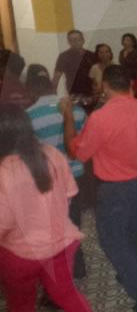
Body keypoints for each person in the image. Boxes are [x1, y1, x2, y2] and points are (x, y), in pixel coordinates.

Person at [62, 65, 137, 311]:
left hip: (116, 188)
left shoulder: (102, 117)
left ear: (105, 86)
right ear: (128, 85)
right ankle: (130, 272)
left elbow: (78, 152)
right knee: (133, 232)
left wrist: (67, 118)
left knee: (111, 240)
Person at [0, 104, 92, 312]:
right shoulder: (51, 153)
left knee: (20, 303)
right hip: (61, 244)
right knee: (66, 294)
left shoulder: (3, 170)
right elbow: (69, 194)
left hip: (19, 254)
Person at [26, 71, 88, 280]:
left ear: (32, 90)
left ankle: (62, 272)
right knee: (73, 220)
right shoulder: (77, 110)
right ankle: (78, 266)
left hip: (48, 178)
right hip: (75, 174)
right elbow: (85, 142)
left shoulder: (28, 116)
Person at [52, 30, 96, 97]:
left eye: (77, 39)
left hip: (92, 94)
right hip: (74, 95)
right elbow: (56, 77)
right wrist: (53, 95)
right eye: (71, 40)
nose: (74, 42)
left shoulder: (92, 55)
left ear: (83, 40)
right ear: (69, 42)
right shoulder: (64, 56)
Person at [119, 33, 137, 98]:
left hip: (135, 79)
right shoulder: (121, 52)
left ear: (133, 43)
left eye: (128, 40)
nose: (126, 41)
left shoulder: (136, 53)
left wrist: (132, 78)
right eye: (124, 40)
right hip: (125, 79)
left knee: (136, 98)